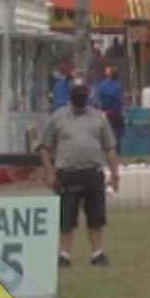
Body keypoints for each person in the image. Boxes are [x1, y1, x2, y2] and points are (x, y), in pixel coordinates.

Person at [38, 81, 121, 268]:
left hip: (93, 173)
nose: (81, 97)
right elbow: (44, 147)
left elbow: (110, 148)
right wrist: (49, 173)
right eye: (78, 93)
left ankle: (98, 253)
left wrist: (115, 175)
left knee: (96, 217)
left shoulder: (99, 118)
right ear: (71, 95)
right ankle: (65, 255)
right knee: (66, 218)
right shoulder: (58, 117)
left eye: (84, 94)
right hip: (67, 174)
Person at [94, 66, 125, 143]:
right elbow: (98, 98)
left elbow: (120, 98)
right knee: (108, 130)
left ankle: (116, 144)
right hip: (107, 111)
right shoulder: (103, 85)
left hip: (116, 111)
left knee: (119, 129)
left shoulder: (117, 84)